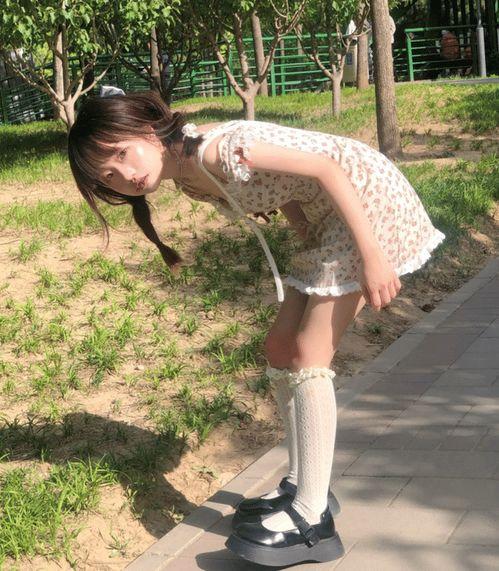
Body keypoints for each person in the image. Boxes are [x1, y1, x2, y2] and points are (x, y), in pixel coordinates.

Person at [68, 91, 445, 567]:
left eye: (122, 154)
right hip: (327, 219)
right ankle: (303, 481)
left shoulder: (215, 153)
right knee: (280, 347)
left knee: (309, 355)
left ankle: (312, 517)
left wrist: (373, 257)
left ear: (147, 129)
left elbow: (327, 167)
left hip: (364, 202)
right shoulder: (187, 174)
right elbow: (287, 184)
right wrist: (297, 223)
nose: (125, 175)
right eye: (108, 176)